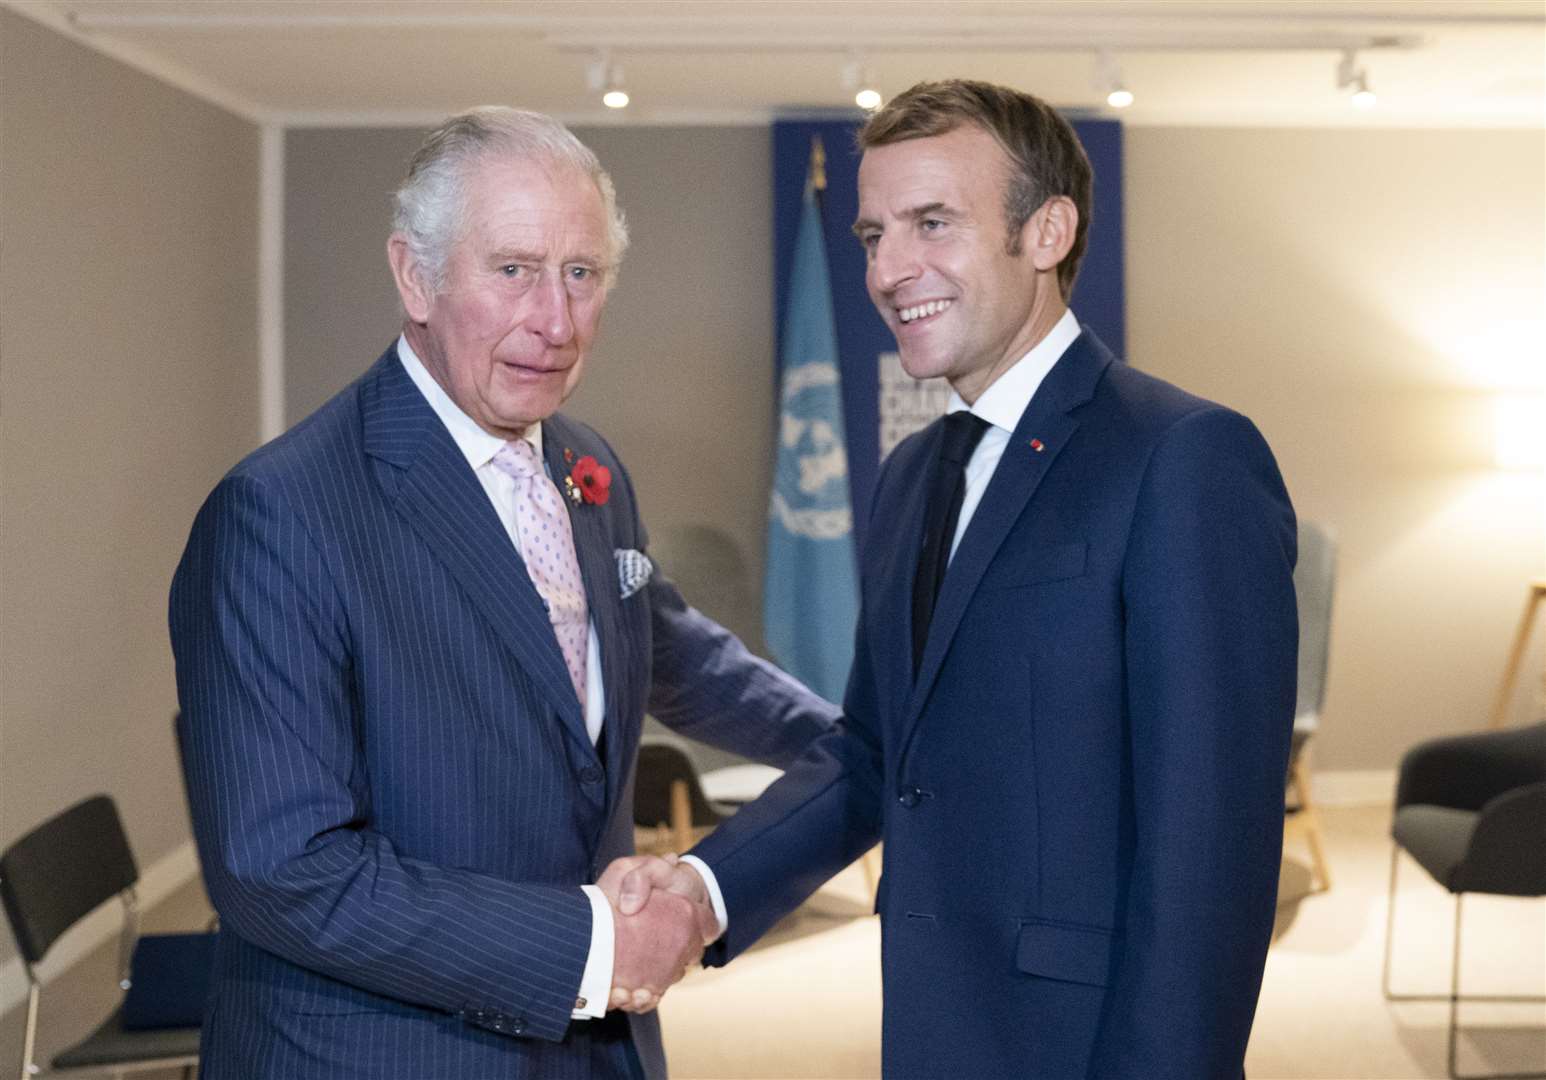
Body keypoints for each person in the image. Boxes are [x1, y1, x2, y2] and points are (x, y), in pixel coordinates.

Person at [615, 79, 1299, 1079]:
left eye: (933, 222)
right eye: (871, 234)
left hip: (1092, 1043)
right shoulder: (907, 477)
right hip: (934, 1026)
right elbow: (874, 755)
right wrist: (701, 888)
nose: (889, 269)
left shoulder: (1182, 457)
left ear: (1047, 231)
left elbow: (1210, 847)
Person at [169, 106, 836, 1080]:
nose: (555, 321)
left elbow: (673, 653)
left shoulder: (584, 464)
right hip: (382, 1055)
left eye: (581, 274)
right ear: (416, 275)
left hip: (592, 1048)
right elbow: (282, 872)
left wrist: (862, 742)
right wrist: (595, 946)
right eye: (514, 270)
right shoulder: (277, 514)